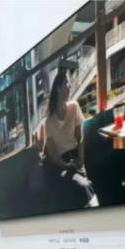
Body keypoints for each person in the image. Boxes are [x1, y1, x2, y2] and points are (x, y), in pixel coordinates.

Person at [43, 69, 99, 208]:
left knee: (82, 184)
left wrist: (81, 161)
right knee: (78, 185)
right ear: (58, 89)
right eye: (67, 85)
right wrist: (67, 165)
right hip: (60, 162)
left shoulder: (74, 107)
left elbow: (80, 138)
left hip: (75, 155)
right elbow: (52, 154)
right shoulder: (48, 121)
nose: (69, 88)